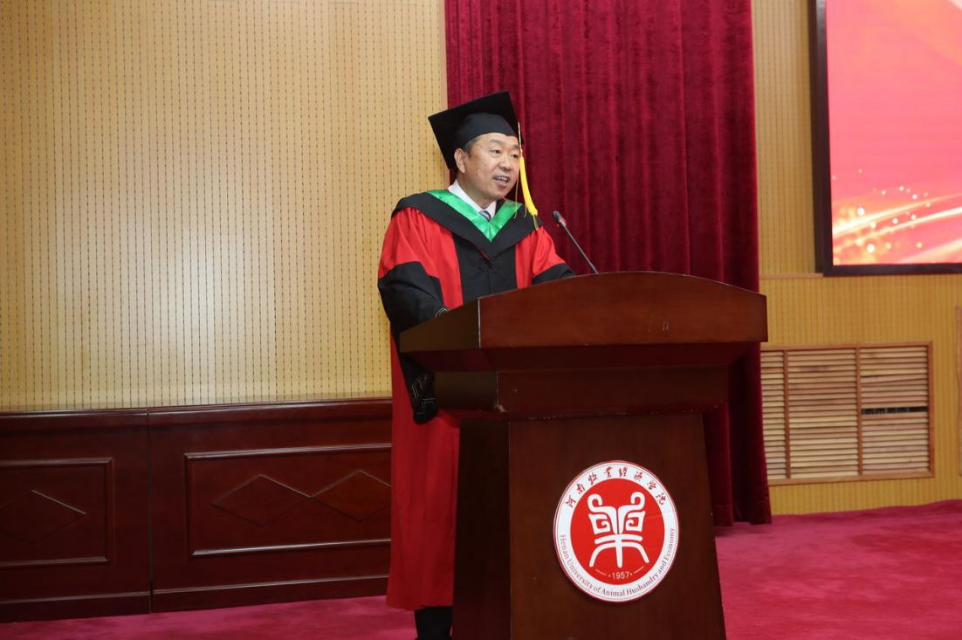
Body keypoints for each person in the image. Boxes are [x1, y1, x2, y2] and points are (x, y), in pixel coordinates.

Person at [377, 91, 574, 640]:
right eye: (495, 150)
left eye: (515, 153)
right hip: (446, 400)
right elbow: (408, 297)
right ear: (461, 159)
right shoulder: (417, 217)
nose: (508, 164)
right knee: (439, 514)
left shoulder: (526, 228)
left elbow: (559, 293)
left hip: (515, 404)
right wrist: (466, 352)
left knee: (516, 513)